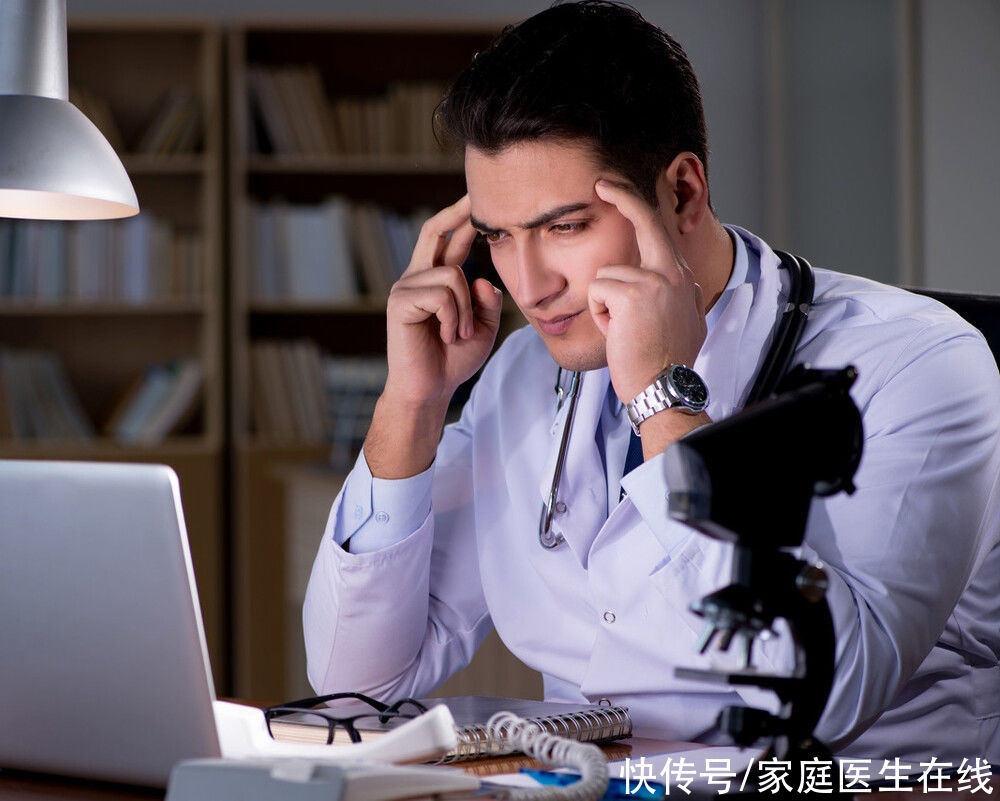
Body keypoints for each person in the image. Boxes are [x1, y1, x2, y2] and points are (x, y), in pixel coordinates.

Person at [302, 1, 1000, 761]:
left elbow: (831, 693)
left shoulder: (918, 364)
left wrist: (662, 403)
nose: (528, 286)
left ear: (683, 194)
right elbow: (353, 687)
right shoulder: (519, 378)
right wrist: (411, 406)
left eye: (564, 227)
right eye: (499, 235)